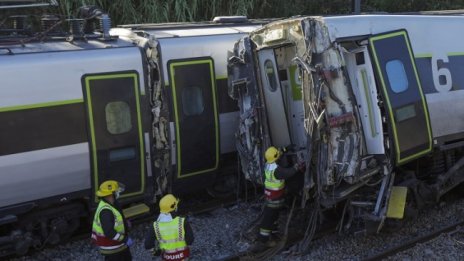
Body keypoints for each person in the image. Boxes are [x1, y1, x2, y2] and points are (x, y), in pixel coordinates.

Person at [257, 146, 303, 246]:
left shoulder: (268, 165)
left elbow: (278, 153)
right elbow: (288, 173)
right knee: (269, 218)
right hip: (275, 199)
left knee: (272, 217)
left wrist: (284, 149)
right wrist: (297, 166)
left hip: (269, 196)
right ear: (275, 157)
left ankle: (272, 234)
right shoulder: (277, 171)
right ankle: (263, 239)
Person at [91, 180, 133, 261]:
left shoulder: (111, 203)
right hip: (112, 247)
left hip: (117, 245)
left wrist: (125, 223)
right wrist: (125, 239)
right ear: (110, 194)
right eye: (116, 192)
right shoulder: (105, 211)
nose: (118, 193)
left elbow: (117, 218)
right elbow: (109, 232)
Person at [144, 194, 194, 261]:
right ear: (175, 207)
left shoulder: (155, 226)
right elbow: (190, 239)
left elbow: (148, 244)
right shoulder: (182, 221)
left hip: (167, 257)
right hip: (183, 256)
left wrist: (155, 252)